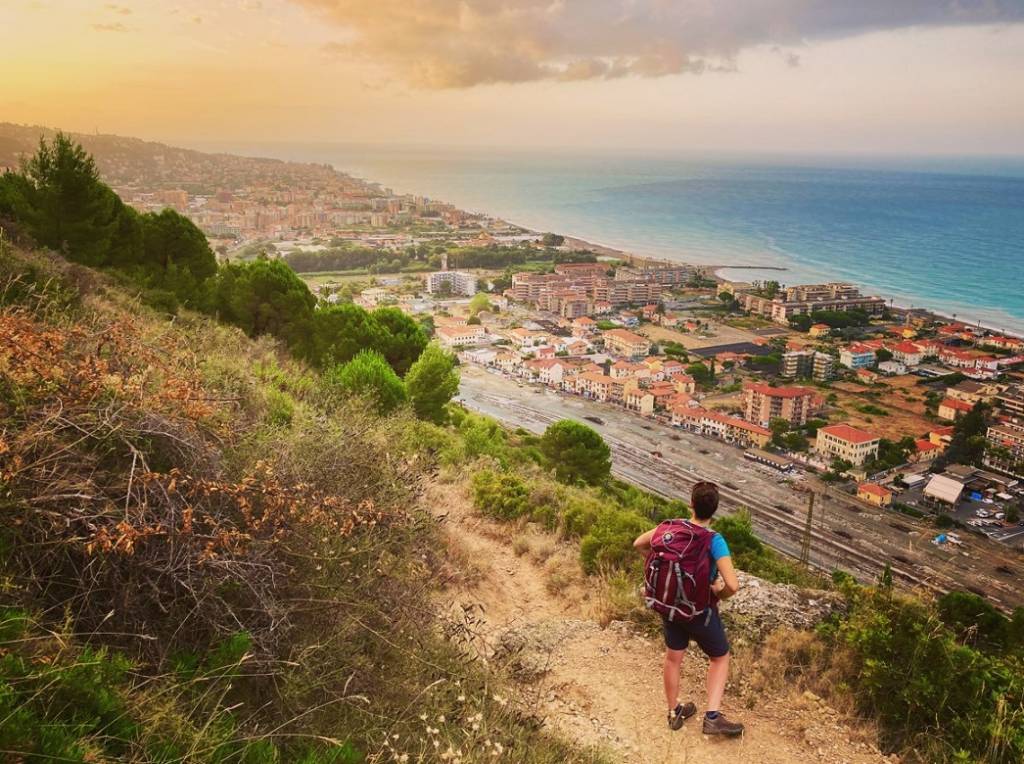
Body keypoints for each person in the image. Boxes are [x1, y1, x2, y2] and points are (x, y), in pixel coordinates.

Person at [633, 481, 744, 736]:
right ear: (715, 510)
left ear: (690, 504)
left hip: (669, 605)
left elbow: (639, 543)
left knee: (673, 659)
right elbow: (733, 585)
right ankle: (713, 718)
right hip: (699, 612)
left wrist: (660, 565)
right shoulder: (714, 540)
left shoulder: (669, 528)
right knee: (720, 657)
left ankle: (674, 712)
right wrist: (718, 592)